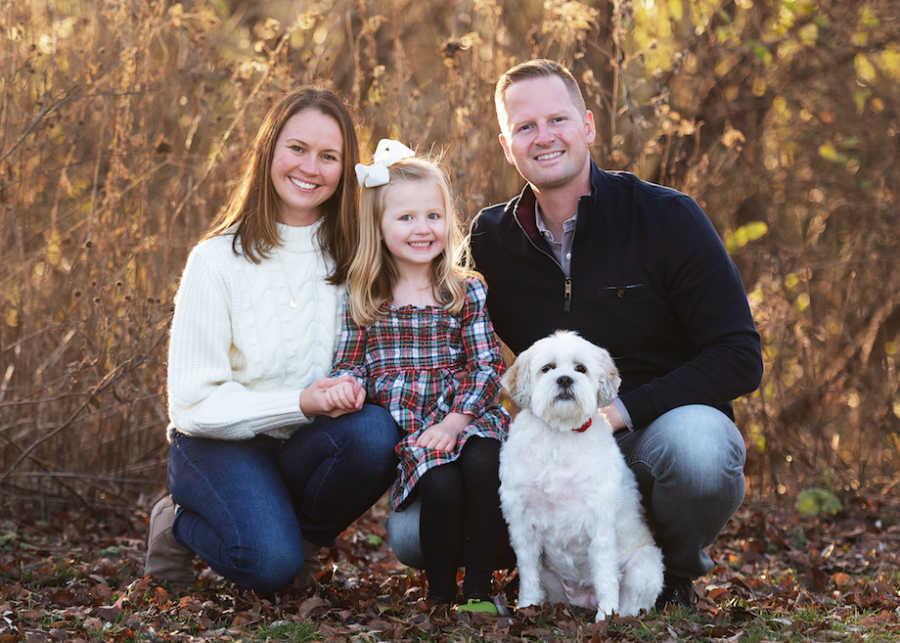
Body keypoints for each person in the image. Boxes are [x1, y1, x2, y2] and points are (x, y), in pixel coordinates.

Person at [469, 60, 764, 609]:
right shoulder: (490, 239)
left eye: (557, 119)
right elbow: (449, 328)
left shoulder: (666, 218)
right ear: (506, 145)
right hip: (555, 439)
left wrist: (625, 410)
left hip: (651, 434)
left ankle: (669, 575)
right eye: (525, 127)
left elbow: (740, 356)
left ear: (587, 125)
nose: (544, 136)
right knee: (414, 533)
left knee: (700, 450)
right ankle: (545, 572)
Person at [144, 88, 399, 593]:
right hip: (218, 443)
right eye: (297, 148)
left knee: (375, 434)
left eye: (329, 157)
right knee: (269, 567)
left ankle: (288, 534)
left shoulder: (355, 257)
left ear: (346, 170)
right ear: (269, 151)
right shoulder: (216, 261)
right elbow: (192, 405)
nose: (311, 167)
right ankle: (177, 523)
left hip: (303, 445)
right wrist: (301, 402)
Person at [328, 140, 509, 614]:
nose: (422, 229)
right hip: (414, 427)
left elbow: (488, 363)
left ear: (448, 219)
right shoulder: (365, 296)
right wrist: (347, 387)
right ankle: (441, 594)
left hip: (469, 413)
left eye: (433, 215)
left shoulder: (463, 289)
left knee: (483, 464)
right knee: (444, 488)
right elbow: (349, 362)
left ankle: (480, 589)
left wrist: (456, 421)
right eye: (406, 218)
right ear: (380, 225)